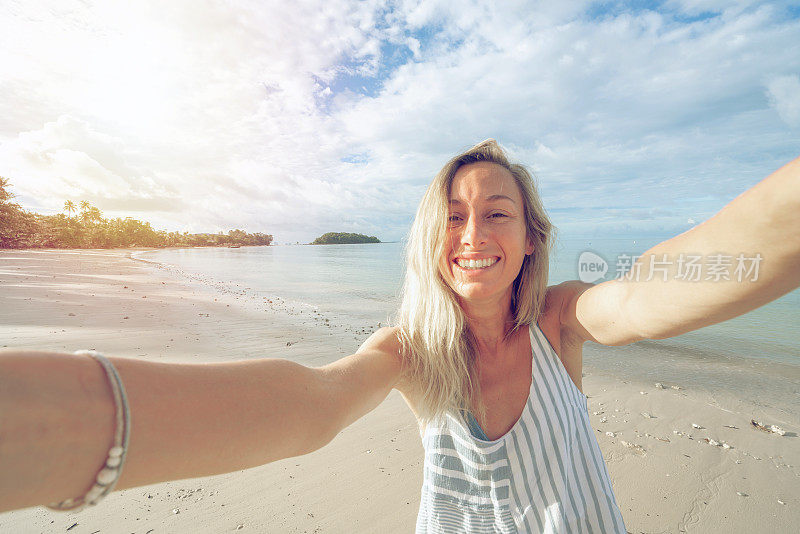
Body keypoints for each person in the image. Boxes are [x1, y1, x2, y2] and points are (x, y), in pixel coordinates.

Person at [1, 140, 798, 533]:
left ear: (529, 239)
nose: (473, 231)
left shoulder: (560, 322)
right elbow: (312, 403)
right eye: (453, 214)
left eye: (497, 212)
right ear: (429, 237)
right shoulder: (411, 352)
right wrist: (56, 429)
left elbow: (655, 289)